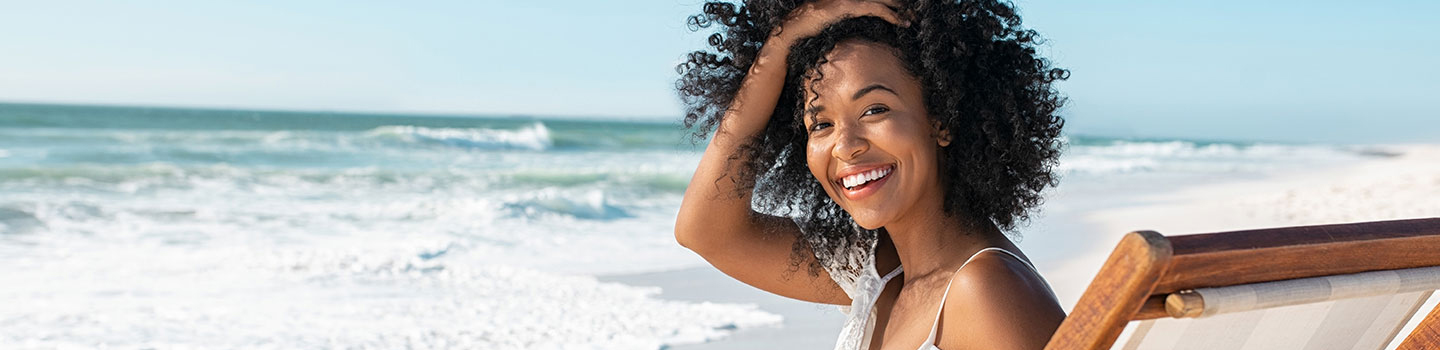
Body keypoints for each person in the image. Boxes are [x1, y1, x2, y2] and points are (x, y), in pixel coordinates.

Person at [673, 0, 1068, 349]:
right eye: (821, 124)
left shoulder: (986, 291)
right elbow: (704, 232)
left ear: (942, 120)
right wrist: (781, 44)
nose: (845, 146)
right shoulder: (880, 270)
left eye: (875, 110)